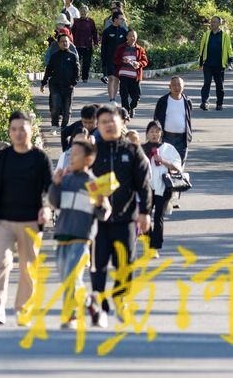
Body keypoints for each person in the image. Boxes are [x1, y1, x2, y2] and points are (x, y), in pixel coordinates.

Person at [0, 111, 54, 326]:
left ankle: (23, 309)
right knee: (1, 262)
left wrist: (48, 208)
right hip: (4, 220)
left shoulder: (40, 158)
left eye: (22, 129)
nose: (18, 133)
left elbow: (50, 189)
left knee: (28, 268)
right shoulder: (3, 157)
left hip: (31, 221)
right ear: (9, 132)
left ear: (30, 130)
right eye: (13, 129)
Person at [89, 105, 153, 327]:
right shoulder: (92, 152)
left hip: (126, 219)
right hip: (97, 221)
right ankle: (99, 305)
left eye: (112, 120)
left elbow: (144, 185)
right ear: (97, 125)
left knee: (125, 264)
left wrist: (145, 212)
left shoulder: (133, 151)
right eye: (103, 121)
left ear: (122, 123)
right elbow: (81, 181)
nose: (108, 125)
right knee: (98, 265)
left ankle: (121, 297)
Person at [47, 139, 111, 329]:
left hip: (82, 239)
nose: (70, 158)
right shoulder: (64, 180)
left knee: (72, 278)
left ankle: (71, 316)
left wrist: (100, 202)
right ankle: (90, 303)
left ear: (88, 159)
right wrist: (55, 185)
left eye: (75, 155)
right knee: (67, 278)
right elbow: (54, 203)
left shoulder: (93, 184)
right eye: (70, 154)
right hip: (62, 236)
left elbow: (104, 213)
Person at [140, 121, 183, 257]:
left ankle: (155, 247)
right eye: (151, 132)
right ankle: (149, 243)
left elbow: (177, 166)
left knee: (158, 216)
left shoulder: (168, 148)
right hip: (145, 188)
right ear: (147, 133)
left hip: (163, 188)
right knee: (144, 217)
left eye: (157, 132)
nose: (154, 134)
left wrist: (163, 160)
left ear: (161, 133)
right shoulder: (140, 148)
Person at [40, 33, 80, 133]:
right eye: (62, 41)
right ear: (58, 44)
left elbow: (77, 71)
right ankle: (54, 125)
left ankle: (64, 127)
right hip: (55, 85)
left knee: (67, 109)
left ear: (69, 43)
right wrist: (43, 83)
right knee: (55, 105)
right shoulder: (54, 56)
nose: (65, 43)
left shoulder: (73, 56)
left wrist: (74, 83)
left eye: (66, 41)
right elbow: (48, 70)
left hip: (68, 86)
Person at [153, 76, 193, 164]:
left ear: (183, 87)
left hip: (182, 139)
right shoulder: (162, 101)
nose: (177, 87)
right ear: (169, 87)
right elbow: (156, 120)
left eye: (179, 85)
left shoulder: (187, 101)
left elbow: (188, 120)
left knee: (179, 165)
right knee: (166, 165)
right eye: (174, 85)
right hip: (166, 138)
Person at [197, 16, 233, 111]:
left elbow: (229, 49)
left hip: (219, 65)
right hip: (208, 64)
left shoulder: (225, 36)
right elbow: (202, 48)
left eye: (215, 22)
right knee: (207, 83)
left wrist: (230, 61)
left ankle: (219, 103)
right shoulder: (206, 34)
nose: (212, 24)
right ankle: (205, 102)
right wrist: (201, 63)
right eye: (211, 22)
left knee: (219, 85)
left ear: (219, 24)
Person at [114, 30, 148, 119]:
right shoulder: (121, 48)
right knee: (124, 94)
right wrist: (122, 60)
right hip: (123, 75)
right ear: (126, 37)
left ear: (136, 37)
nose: (132, 38)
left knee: (137, 96)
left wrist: (139, 64)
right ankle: (126, 111)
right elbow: (115, 60)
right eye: (130, 36)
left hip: (135, 76)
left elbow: (145, 61)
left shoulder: (140, 49)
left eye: (134, 36)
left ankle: (132, 107)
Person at [100, 11, 128, 101]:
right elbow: (103, 47)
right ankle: (111, 98)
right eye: (121, 19)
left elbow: (128, 44)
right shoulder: (107, 31)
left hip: (120, 59)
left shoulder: (124, 31)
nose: (122, 20)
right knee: (111, 78)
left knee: (116, 79)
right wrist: (103, 60)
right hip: (110, 58)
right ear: (115, 19)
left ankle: (114, 97)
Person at [71, 5, 99, 82]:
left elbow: (94, 33)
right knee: (77, 62)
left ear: (87, 12)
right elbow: (72, 33)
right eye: (82, 11)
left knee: (87, 63)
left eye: (84, 11)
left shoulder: (91, 21)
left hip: (87, 45)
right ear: (79, 12)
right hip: (77, 45)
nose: (83, 12)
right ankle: (76, 76)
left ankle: (85, 78)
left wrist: (96, 42)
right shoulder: (76, 21)